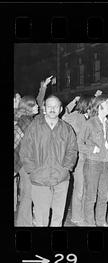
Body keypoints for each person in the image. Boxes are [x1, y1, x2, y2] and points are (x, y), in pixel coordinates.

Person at [20, 95, 78, 227]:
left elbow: (72, 150)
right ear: (44, 108)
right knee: (41, 218)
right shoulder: (34, 127)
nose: (52, 109)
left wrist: (66, 168)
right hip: (39, 180)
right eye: (49, 106)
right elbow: (25, 150)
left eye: (56, 106)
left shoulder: (67, 129)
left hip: (61, 179)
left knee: (58, 217)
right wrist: (33, 171)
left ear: (61, 109)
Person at [15, 76, 52, 226]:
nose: (38, 107)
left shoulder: (29, 119)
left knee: (29, 194)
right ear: (28, 107)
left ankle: (28, 221)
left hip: (29, 163)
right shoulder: (25, 121)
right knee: (27, 195)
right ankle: (24, 223)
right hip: (26, 165)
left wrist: (43, 87)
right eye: (35, 106)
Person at [77, 94, 108, 226]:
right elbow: (78, 143)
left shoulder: (107, 122)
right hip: (92, 163)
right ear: (100, 106)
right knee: (91, 196)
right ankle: (90, 223)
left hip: (105, 163)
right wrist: (92, 149)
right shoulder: (90, 123)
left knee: (104, 196)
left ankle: (101, 221)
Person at [62, 95, 93, 226]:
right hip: (78, 157)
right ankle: (76, 217)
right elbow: (64, 117)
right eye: (93, 106)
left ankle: (81, 215)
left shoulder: (88, 118)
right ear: (87, 107)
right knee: (79, 188)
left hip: (85, 156)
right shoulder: (76, 117)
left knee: (84, 187)